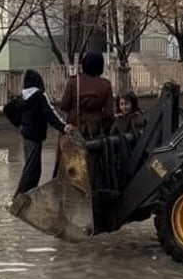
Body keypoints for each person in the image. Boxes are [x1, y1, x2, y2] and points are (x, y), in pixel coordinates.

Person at [12, 69, 73, 198]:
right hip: (35, 136)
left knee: (32, 166)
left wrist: (19, 123)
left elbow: (9, 110)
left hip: (26, 135)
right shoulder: (40, 96)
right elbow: (50, 114)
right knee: (33, 169)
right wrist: (63, 127)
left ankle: (26, 196)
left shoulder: (22, 97)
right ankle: (20, 197)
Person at [59, 51, 114, 138]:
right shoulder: (106, 84)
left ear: (84, 64)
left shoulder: (73, 82)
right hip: (96, 130)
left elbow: (64, 105)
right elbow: (109, 113)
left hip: (74, 129)